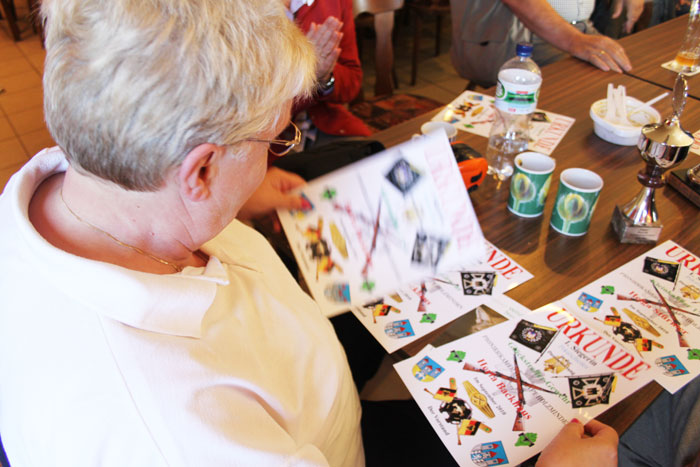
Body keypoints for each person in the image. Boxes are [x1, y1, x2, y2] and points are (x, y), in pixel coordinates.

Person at [0, 0, 364, 465]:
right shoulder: (173, 433)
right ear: (201, 170)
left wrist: (235, 196)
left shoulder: (106, 186)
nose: (271, 154)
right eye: (275, 137)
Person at [449, 0, 644, 87]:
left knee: (632, 76)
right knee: (595, 86)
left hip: (579, 27)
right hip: (515, 36)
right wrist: (575, 41)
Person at [284, 0, 372, 148]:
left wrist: (324, 78)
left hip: (325, 124)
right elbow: (248, 110)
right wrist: (303, 77)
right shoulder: (244, 11)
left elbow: (352, 82)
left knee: (373, 155)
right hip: (263, 143)